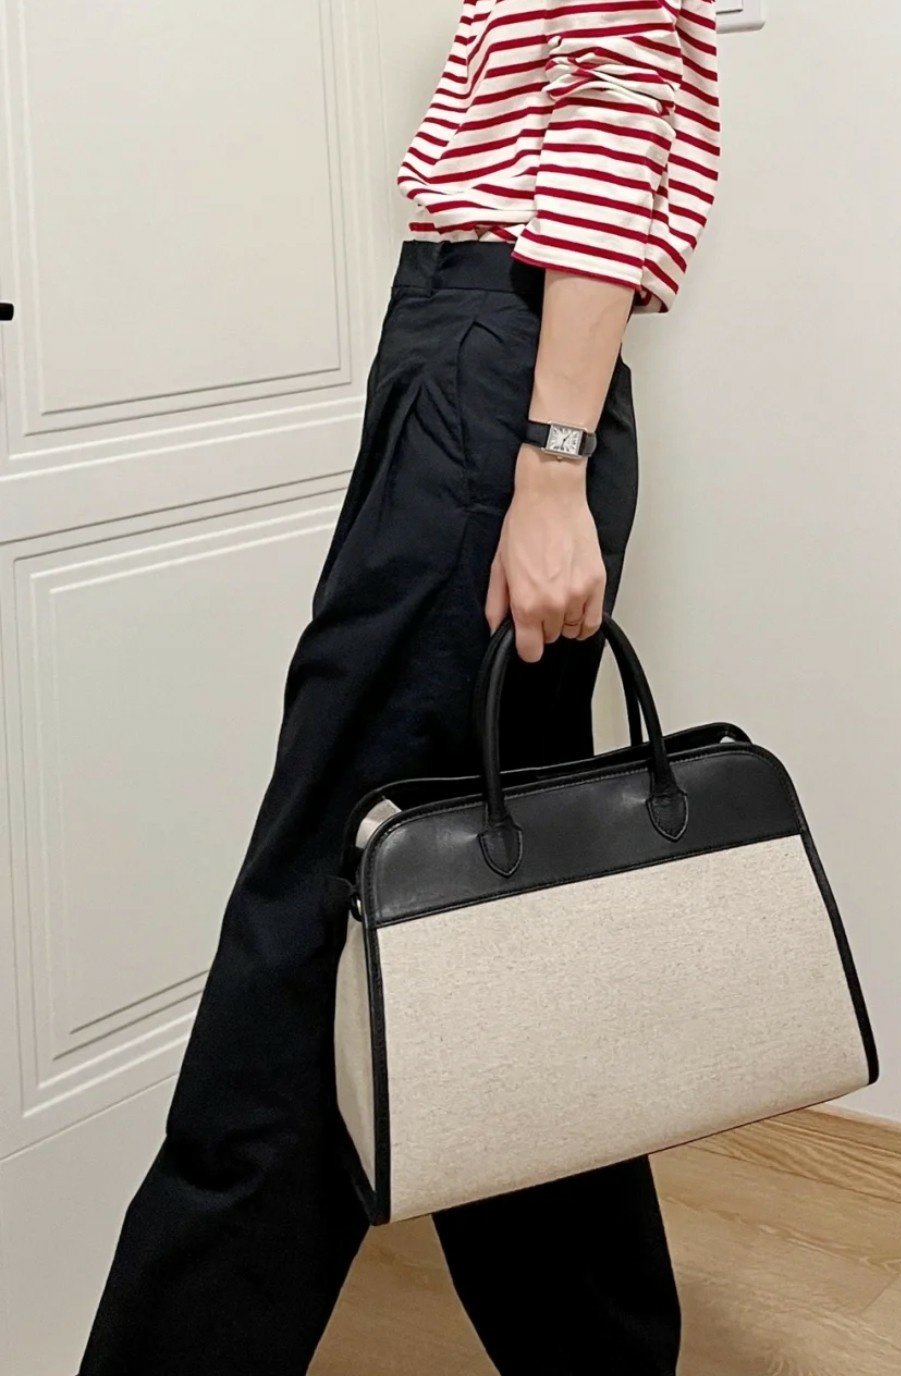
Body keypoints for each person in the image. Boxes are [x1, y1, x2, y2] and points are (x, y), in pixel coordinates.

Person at [77, 2, 720, 1373]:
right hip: (492, 372)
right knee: (493, 918)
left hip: (499, 384)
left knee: (318, 924)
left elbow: (608, 113)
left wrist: (550, 461)